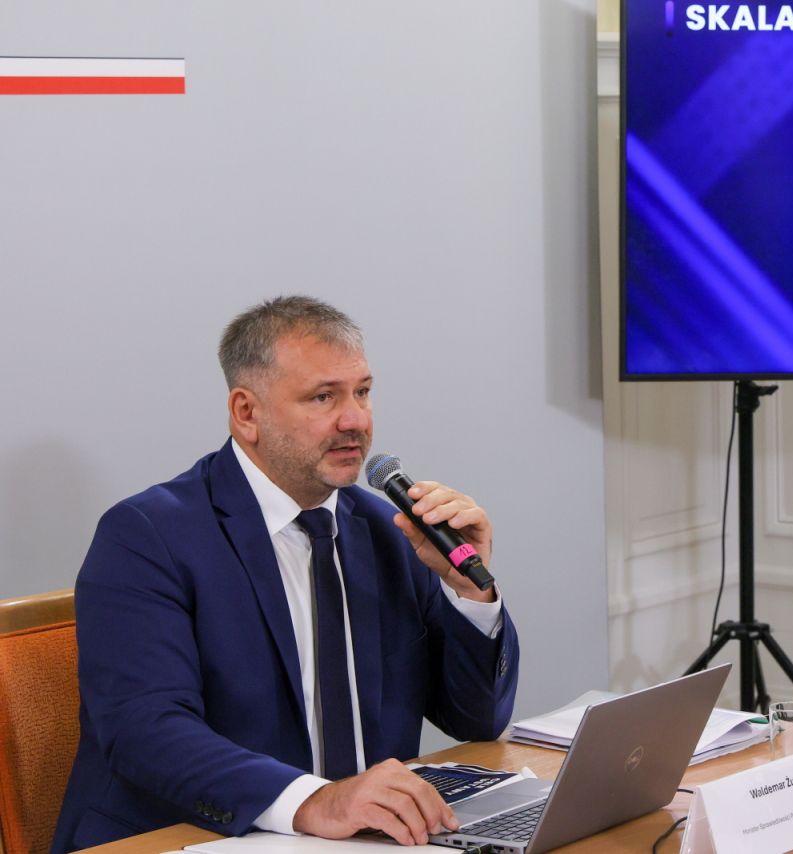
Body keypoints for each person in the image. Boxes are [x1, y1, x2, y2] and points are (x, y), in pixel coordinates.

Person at [53, 296, 518, 852]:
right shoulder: (148, 535)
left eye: (363, 392)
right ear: (246, 413)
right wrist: (315, 801)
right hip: (193, 837)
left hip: (364, 841)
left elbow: (476, 720)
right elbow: (145, 731)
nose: (355, 420)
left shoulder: (389, 531)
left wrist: (468, 592)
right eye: (324, 397)